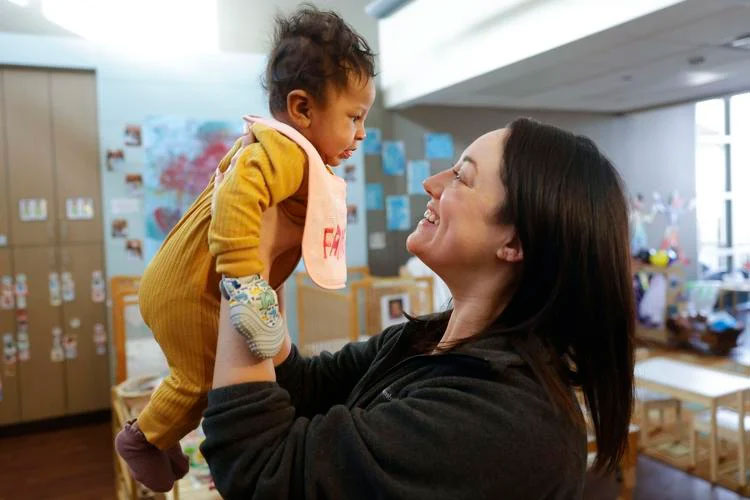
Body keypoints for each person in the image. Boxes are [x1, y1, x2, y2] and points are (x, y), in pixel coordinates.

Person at [201, 118, 635, 499]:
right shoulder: (424, 339)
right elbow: (305, 386)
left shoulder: (508, 424)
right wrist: (272, 254)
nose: (432, 183)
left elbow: (256, 467)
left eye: (461, 178)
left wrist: (242, 257)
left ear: (515, 243)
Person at [114, 6, 376, 492]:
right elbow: (237, 199)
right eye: (354, 117)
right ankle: (142, 440)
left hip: (181, 283)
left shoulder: (277, 148)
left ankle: (161, 435)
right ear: (302, 109)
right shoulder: (288, 152)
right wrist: (246, 284)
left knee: (201, 377)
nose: (361, 133)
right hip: (195, 291)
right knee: (200, 379)